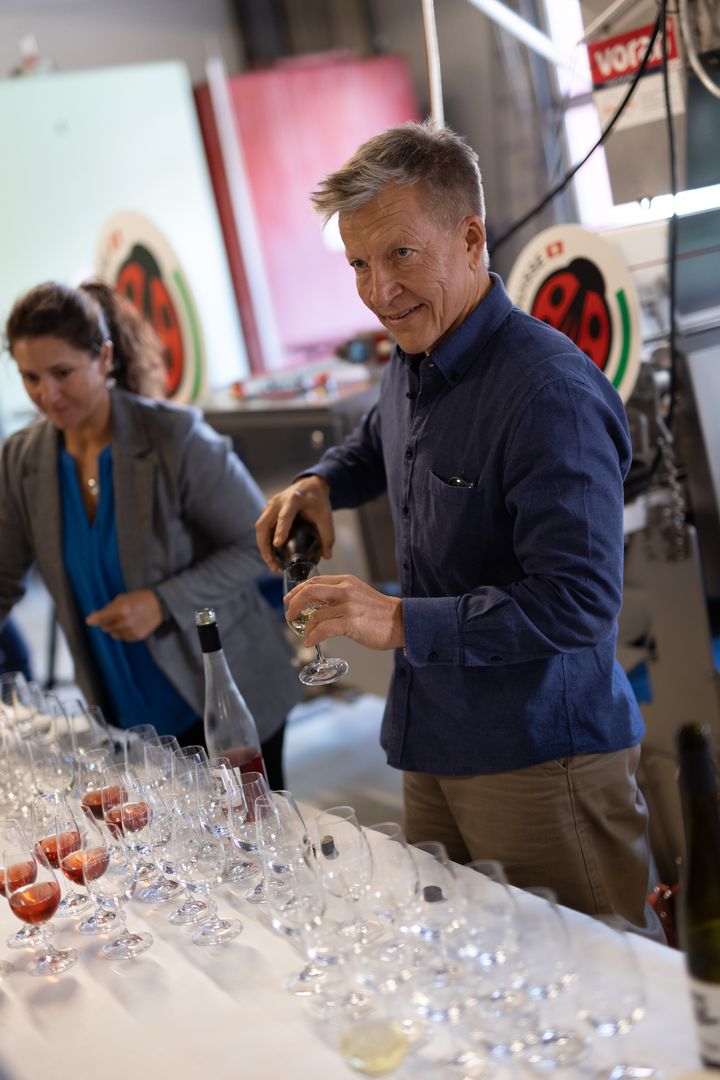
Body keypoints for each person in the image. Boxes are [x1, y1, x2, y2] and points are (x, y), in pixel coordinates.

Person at [256, 120, 662, 936]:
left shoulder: (549, 393)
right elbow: (380, 440)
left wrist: (397, 619)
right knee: (473, 969)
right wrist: (322, 481)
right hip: (432, 741)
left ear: (471, 238)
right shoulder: (415, 354)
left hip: (542, 759)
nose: (379, 290)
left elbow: (579, 603)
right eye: (359, 265)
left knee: (596, 981)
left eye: (401, 254)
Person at [0, 280, 299, 788]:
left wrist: (162, 602)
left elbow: (259, 545)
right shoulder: (21, 459)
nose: (46, 394)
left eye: (62, 373)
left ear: (104, 358)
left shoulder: (175, 438)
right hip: (125, 716)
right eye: (30, 377)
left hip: (224, 697)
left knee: (255, 830)